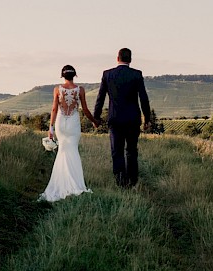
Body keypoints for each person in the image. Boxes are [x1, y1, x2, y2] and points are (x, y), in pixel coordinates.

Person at [93, 48, 152, 187]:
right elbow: (144, 98)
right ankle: (132, 181)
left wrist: (96, 117)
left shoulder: (107, 74)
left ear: (117, 58)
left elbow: (100, 98)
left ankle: (120, 181)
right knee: (131, 150)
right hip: (132, 119)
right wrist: (147, 119)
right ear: (130, 59)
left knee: (117, 151)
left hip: (115, 119)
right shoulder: (136, 75)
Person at [39, 65, 98, 202]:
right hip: (73, 124)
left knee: (63, 151)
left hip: (61, 123)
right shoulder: (80, 90)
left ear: (63, 76)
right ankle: (75, 184)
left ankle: (61, 183)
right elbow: (85, 110)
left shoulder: (57, 89)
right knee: (73, 151)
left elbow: (54, 109)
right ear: (74, 75)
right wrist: (94, 121)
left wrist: (51, 128)